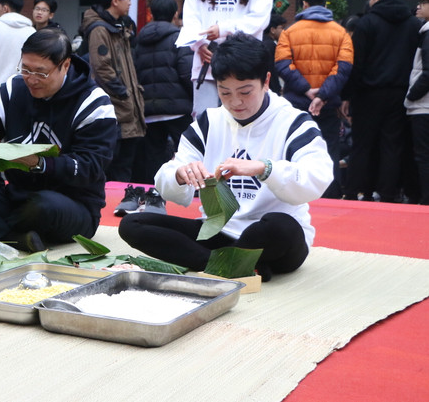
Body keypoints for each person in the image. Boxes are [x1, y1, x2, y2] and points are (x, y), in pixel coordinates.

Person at [119, 33, 333, 281]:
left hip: (270, 237)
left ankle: (225, 263)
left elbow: (318, 175)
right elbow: (167, 178)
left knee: (279, 225)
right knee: (133, 225)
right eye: (225, 92)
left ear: (266, 81)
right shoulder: (209, 122)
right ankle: (224, 265)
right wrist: (180, 175)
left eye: (245, 92)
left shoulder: (294, 121)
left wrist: (264, 168)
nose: (235, 102)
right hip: (219, 231)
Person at [0, 29, 117, 252]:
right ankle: (15, 237)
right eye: (25, 69)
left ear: (65, 65)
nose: (31, 79)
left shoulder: (94, 103)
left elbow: (90, 166)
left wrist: (38, 163)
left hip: (72, 205)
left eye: (41, 72)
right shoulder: (13, 89)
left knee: (43, 206)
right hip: (16, 196)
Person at [341, 0, 422, 202]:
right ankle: (388, 193)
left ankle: (355, 191)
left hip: (368, 94)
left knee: (362, 145)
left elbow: (357, 64)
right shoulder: (414, 25)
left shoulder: (367, 23)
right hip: (401, 93)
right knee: (392, 145)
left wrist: (347, 95)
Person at [275, 0, 353, 199]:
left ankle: (295, 195)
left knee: (294, 146)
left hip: (296, 103)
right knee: (329, 150)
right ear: (324, 4)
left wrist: (306, 90)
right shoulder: (341, 33)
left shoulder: (289, 32)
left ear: (304, 4)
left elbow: (282, 65)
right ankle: (330, 195)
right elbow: (343, 68)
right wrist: (322, 95)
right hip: (328, 105)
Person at [79, 0, 146, 184]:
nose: (130, 3)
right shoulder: (100, 29)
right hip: (115, 105)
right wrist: (122, 92)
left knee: (124, 163)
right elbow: (101, 67)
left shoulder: (118, 26)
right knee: (114, 163)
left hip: (126, 106)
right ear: (115, 1)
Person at [129, 0, 194, 193]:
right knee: (187, 152)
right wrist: (192, 98)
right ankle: (191, 192)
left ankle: (155, 193)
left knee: (154, 156)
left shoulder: (140, 40)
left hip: (148, 109)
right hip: (177, 107)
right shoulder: (179, 37)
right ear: (175, 14)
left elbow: (135, 71)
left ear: (152, 13)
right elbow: (186, 71)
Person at [404, 0, 429, 205]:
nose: (418, 7)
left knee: (423, 155)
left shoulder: (428, 33)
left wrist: (411, 96)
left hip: (424, 105)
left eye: (423, 3)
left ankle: (425, 199)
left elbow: (427, 72)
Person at [262, 12, 286, 94]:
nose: (283, 31)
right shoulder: (270, 45)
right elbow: (271, 70)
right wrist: (277, 89)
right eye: (281, 28)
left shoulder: (262, 41)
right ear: (272, 30)